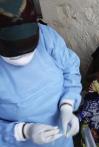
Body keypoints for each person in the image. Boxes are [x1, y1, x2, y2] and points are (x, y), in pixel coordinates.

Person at [0, 1, 82, 147]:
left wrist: (68, 104)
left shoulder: (47, 37)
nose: (23, 57)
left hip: (62, 139)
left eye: (30, 48)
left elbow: (70, 67)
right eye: (15, 52)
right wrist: (23, 131)